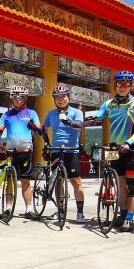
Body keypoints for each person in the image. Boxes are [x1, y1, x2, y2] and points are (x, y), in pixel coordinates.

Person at [86, 70, 134, 233]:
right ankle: (123, 214)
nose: (122, 87)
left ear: (131, 85)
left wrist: (128, 143)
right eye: (119, 84)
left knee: (131, 185)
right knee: (120, 184)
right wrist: (90, 120)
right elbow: (99, 115)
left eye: (126, 84)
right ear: (115, 85)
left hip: (129, 149)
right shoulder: (109, 104)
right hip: (114, 149)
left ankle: (129, 218)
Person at [43, 83, 87, 224]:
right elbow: (45, 128)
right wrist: (46, 143)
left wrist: (68, 121)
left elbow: (79, 125)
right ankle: (60, 210)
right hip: (56, 151)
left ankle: (80, 213)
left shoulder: (76, 112)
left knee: (76, 181)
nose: (60, 99)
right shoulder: (51, 114)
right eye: (57, 97)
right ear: (54, 99)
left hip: (71, 150)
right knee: (58, 181)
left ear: (68, 98)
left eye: (63, 96)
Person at [0, 85, 41, 219]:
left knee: (26, 182)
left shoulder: (32, 113)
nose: (18, 99)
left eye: (21, 97)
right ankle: (8, 208)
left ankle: (29, 210)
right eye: (15, 97)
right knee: (10, 181)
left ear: (25, 98)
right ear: (12, 98)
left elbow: (40, 132)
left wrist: (34, 127)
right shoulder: (6, 115)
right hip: (11, 153)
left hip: (25, 152)